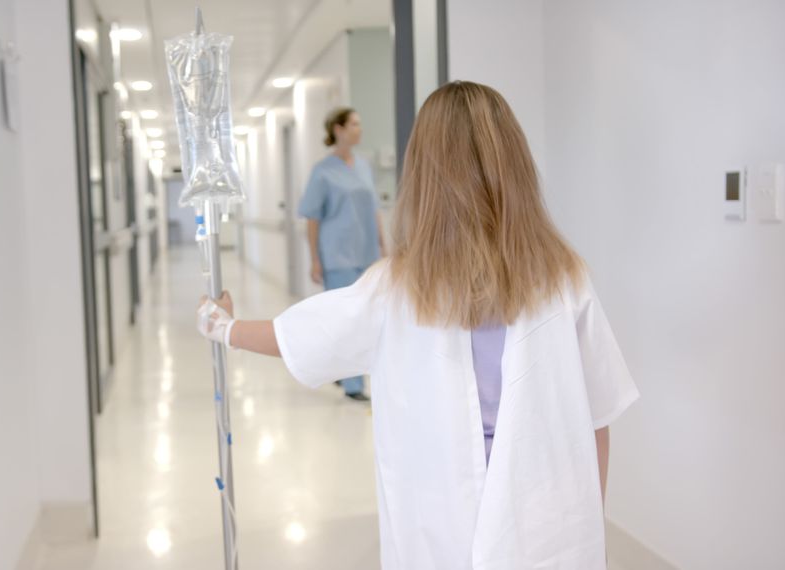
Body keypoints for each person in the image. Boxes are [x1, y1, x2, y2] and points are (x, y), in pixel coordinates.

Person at [196, 81, 639, 569]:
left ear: (425, 176)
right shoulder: (564, 279)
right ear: (515, 167)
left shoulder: (395, 290)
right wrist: (586, 522)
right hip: (547, 522)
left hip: (443, 526)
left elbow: (300, 335)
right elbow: (598, 417)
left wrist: (223, 326)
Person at [298, 107, 386, 401]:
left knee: (368, 316)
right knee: (346, 319)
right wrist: (314, 258)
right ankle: (353, 386)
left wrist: (384, 244)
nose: (360, 129)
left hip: (366, 252)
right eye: (354, 124)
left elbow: (373, 209)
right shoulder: (322, 171)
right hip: (337, 255)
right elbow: (312, 217)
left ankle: (344, 373)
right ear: (337, 129)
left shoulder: (362, 166)